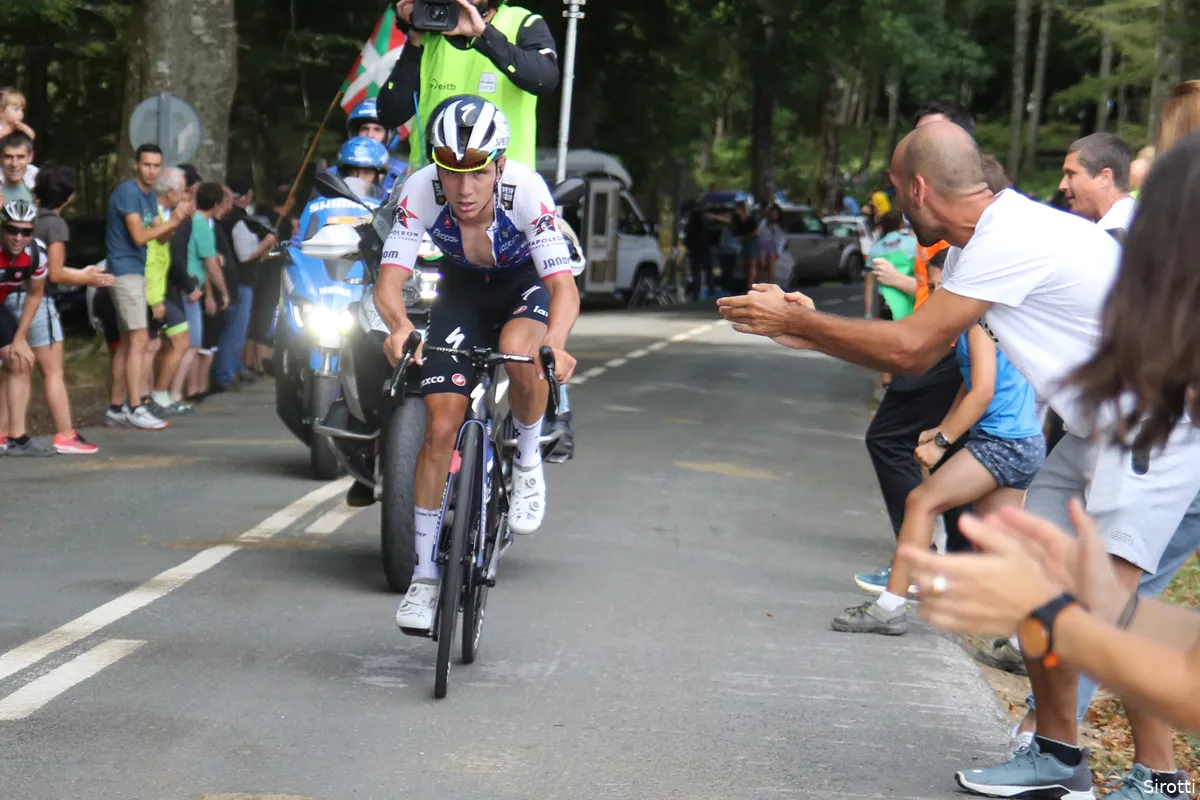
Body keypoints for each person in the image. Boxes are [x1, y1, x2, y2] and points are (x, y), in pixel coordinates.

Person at [718, 120, 1200, 800]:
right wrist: (816, 331)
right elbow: (921, 346)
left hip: (1156, 421)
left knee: (1104, 607)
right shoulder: (992, 241)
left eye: (893, 188)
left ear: (918, 188)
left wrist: (801, 324)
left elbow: (911, 349)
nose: (890, 203)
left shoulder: (1010, 237)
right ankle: (1058, 755)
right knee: (1036, 584)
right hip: (1098, 427)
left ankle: (1162, 777)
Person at [365, 96, 578, 631]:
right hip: (460, 293)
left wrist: (557, 340)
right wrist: (399, 326)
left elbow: (562, 286)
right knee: (439, 429)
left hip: (521, 285)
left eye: (477, 173)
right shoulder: (420, 190)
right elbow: (390, 279)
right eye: (452, 172)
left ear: (498, 165)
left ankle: (527, 462)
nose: (463, 189)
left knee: (527, 356)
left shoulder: (526, 190)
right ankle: (423, 578)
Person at [833, 252, 1044, 634]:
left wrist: (942, 443)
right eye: (930, 286)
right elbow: (970, 381)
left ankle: (890, 608)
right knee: (997, 542)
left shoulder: (980, 320)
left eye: (940, 287)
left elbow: (982, 392)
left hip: (1004, 442)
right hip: (1022, 441)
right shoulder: (990, 317)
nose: (932, 295)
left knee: (920, 501)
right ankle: (1025, 637)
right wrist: (942, 427)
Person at [377, 0, 560, 169]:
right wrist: (414, 37)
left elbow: (544, 79)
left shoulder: (521, 22)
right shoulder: (432, 26)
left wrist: (483, 34)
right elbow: (390, 115)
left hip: (503, 180)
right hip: (434, 180)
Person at [104, 144, 190, 430]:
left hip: (136, 272)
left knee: (128, 342)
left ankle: (116, 407)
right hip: (124, 271)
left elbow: (162, 238)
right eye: (147, 165)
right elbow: (140, 236)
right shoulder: (128, 192)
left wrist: (175, 220)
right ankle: (135, 406)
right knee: (140, 340)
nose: (151, 171)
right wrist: (173, 221)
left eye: (156, 166)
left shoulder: (149, 196)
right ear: (136, 165)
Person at [0, 199, 54, 455]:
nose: (18, 237)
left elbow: (34, 294)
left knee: (20, 360)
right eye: (12, 229)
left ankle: (16, 438)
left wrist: (20, 338)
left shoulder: (37, 254)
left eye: (26, 231)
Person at [1058, 132, 1136, 233]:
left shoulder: (1117, 236)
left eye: (1071, 174)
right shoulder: (1140, 221)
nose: (1062, 186)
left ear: (1104, 178)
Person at [331, 99, 408, 197]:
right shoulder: (333, 173)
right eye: (364, 129)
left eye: (377, 130)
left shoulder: (403, 174)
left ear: (390, 135)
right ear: (354, 133)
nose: (370, 135)